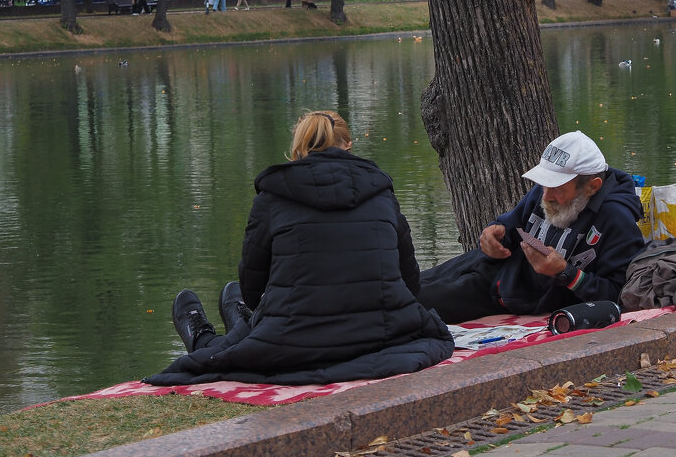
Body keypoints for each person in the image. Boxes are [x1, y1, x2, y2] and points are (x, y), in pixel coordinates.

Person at [145, 110, 453, 386]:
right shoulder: (382, 192)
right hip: (381, 333)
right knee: (256, 328)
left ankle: (202, 337)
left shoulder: (272, 195)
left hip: (296, 338)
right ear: (348, 144)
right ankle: (239, 321)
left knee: (231, 348)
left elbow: (254, 287)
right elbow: (410, 283)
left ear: (298, 150)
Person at [417, 131, 645, 324]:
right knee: (408, 284)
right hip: (492, 266)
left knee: (416, 302)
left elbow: (621, 294)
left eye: (557, 188)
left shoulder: (617, 219)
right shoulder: (546, 191)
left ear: (592, 187)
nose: (545, 195)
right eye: (544, 184)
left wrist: (565, 272)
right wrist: (494, 233)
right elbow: (512, 222)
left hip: (511, 294)